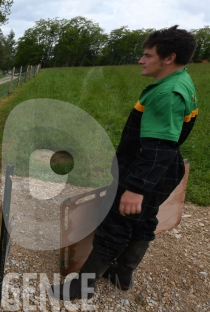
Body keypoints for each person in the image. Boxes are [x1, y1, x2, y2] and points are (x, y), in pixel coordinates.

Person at [53, 25, 199, 300]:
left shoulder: (167, 94)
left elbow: (159, 148)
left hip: (145, 169)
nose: (141, 60)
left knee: (116, 226)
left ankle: (82, 287)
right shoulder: (181, 81)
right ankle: (123, 272)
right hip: (164, 169)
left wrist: (136, 188)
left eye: (147, 55)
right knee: (144, 219)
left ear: (169, 58)